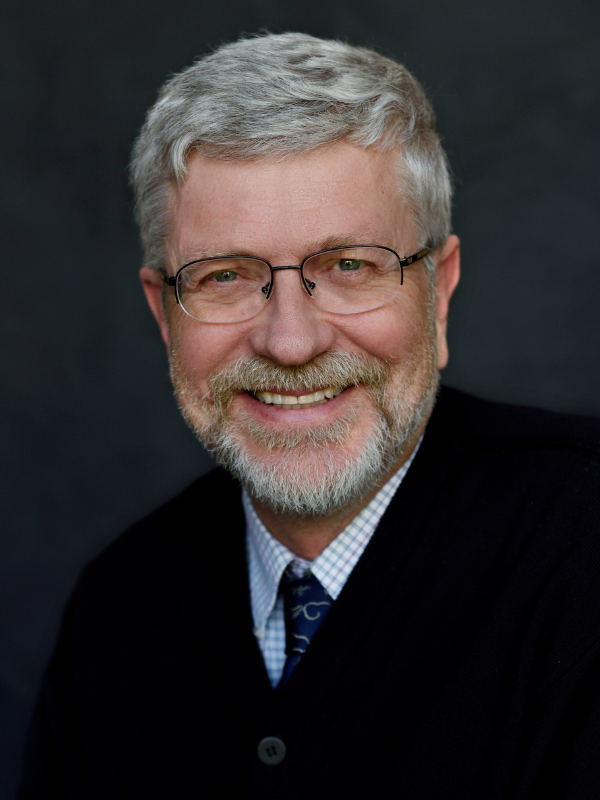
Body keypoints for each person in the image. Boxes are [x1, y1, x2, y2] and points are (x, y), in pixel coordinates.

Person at [19, 32, 600, 799]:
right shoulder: (119, 613)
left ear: (440, 291)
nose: (290, 341)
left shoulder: (584, 549)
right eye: (226, 276)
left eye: (349, 266)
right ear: (166, 315)